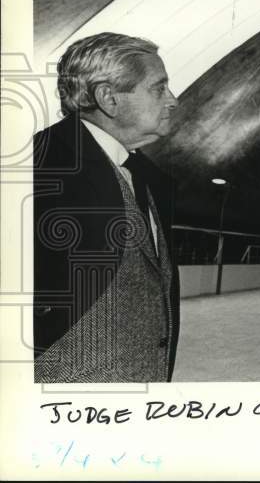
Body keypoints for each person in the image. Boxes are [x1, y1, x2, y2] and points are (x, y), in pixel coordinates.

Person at [33, 33, 180, 382]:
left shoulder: (150, 179)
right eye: (159, 88)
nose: (173, 100)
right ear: (108, 98)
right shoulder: (37, 168)